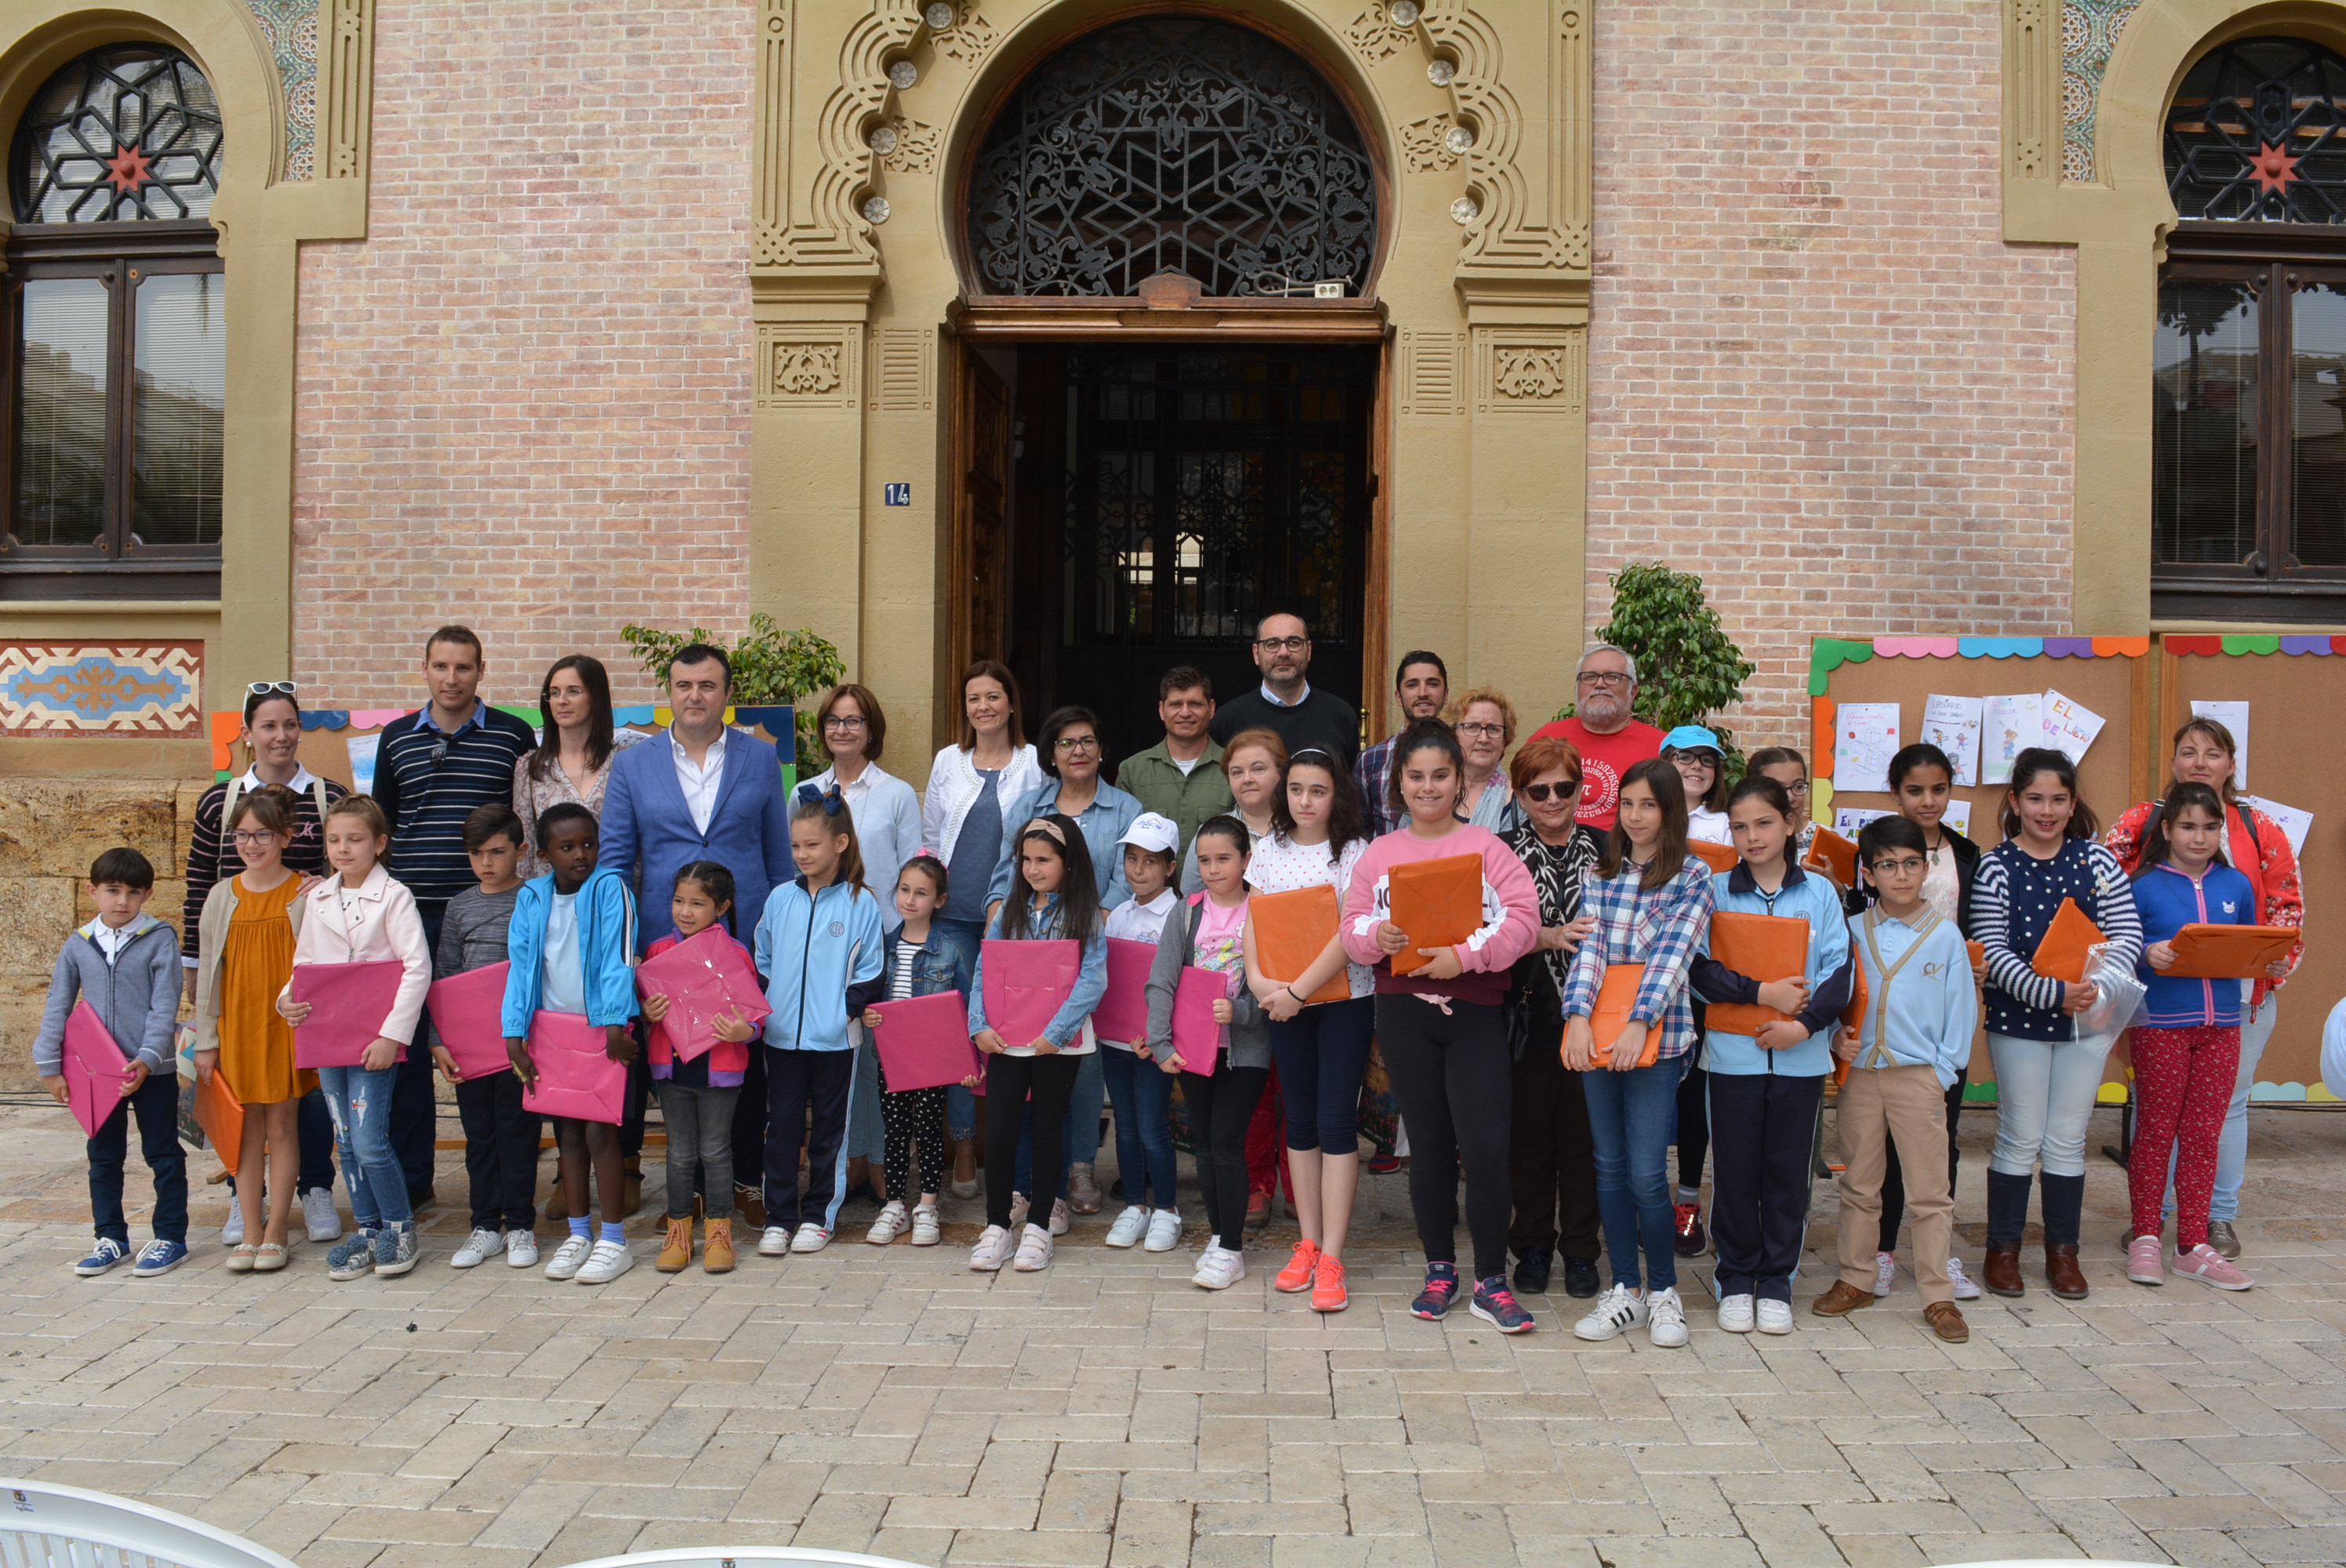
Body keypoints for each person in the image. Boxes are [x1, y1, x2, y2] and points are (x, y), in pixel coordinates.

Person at [1342, 720, 1542, 1333]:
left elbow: (1524, 922)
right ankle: (1439, 1271)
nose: (1428, 787)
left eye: (1440, 775)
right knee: (1427, 1149)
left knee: (1484, 1149)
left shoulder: (1488, 847)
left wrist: (1466, 956)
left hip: (1476, 1013)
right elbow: (1350, 929)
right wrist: (1380, 936)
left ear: (1460, 781)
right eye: (1416, 776)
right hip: (1404, 1013)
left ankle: (1490, 1280)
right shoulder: (1379, 855)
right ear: (1398, 783)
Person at [600, 642, 795, 1229]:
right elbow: (614, 863)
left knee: (743, 1059)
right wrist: (624, 944)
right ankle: (686, 1196)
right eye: (684, 685)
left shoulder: (761, 759)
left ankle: (745, 1182)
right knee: (676, 1066)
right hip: (668, 940)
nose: (695, 696)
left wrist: (779, 937)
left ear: (727, 694)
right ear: (669, 693)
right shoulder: (634, 765)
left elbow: (779, 859)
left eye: (708, 685)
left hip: (743, 938)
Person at [2103, 717, 2301, 1261]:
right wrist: (2131, 968)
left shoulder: (2260, 826)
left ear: (2231, 765)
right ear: (2172, 763)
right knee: (2155, 1113)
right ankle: (2151, 1221)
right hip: (2157, 1007)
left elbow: (2286, 908)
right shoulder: (2141, 820)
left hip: (2237, 1003)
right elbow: (2108, 903)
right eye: (2187, 751)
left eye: (2212, 753)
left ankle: (2215, 1220)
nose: (2199, 762)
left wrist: (2273, 965)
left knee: (2225, 1111)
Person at [372, 626, 538, 1208]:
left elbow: (522, 823)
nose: (451, 678)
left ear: (480, 671)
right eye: (440, 666)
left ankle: (501, 1190)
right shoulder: (395, 739)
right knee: (411, 1049)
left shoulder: (512, 735)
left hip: (488, 916)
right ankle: (414, 1181)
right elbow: (382, 832)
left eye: (463, 667)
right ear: (424, 670)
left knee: (495, 1047)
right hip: (410, 915)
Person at [1974, 747, 2141, 1301]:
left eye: (2059, 799)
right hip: (2019, 1020)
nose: (2047, 810)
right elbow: (1992, 949)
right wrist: (2052, 993)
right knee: (2021, 1134)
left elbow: (2127, 936)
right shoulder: (1996, 866)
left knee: (2068, 1138)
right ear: (2016, 801)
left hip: (2087, 1021)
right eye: (2036, 799)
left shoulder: (2096, 861)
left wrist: (2097, 985)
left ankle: (2063, 1253)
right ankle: (2003, 1250)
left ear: (2073, 804)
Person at [182, 682, 346, 1247]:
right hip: (240, 965)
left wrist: (330, 886)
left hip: (299, 961)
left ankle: (316, 1186)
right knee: (245, 1102)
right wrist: (194, 973)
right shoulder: (218, 802)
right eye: (268, 726)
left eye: (289, 725)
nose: (280, 736)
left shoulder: (328, 795)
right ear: (247, 733)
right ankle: (242, 1199)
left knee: (304, 1093)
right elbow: (199, 885)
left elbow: (354, 864)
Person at [1687, 775, 1852, 1336]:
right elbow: (1700, 970)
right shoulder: (1711, 889)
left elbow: (1839, 975)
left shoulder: (1822, 894)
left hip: (1801, 1061)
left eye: (1764, 823)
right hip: (1732, 1059)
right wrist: (1763, 996)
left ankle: (1776, 1278)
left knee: (1786, 1175)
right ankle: (1734, 1277)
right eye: (1740, 826)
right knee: (1735, 1171)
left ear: (1790, 825)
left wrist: (1801, 1027)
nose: (1752, 836)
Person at [1561, 760, 1714, 1350]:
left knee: (1650, 1174)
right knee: (1608, 1167)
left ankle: (1664, 1292)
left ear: (1670, 810)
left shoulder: (1693, 875)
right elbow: (1591, 950)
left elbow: (1674, 957)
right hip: (1597, 1035)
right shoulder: (1602, 872)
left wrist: (1638, 1022)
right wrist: (1577, 1016)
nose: (1636, 816)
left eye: (1649, 805)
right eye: (1627, 804)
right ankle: (1625, 1288)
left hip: (1658, 1038)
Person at [1813, 815, 1977, 1344]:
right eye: (1888, 865)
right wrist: (1837, 1040)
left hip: (1918, 1078)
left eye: (1911, 864)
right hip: (1861, 1076)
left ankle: (1937, 1294)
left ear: (1926, 869)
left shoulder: (1945, 937)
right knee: (1861, 1182)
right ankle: (1856, 1276)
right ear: (1869, 873)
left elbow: (1961, 1011)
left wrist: (1943, 1072)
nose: (1901, 875)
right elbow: (1835, 998)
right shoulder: (1854, 930)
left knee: (1931, 1191)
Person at [990, 705, 1142, 1221]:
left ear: (1102, 749)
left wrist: (1089, 918)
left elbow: (1128, 876)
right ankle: (1027, 1181)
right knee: (1027, 1054)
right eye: (1066, 743)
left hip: (1095, 945)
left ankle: (1078, 1165)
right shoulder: (1028, 805)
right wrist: (1000, 918)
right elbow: (1006, 869)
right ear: (1049, 754)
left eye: (1087, 740)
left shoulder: (1125, 808)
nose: (1077, 751)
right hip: (1029, 949)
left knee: (1081, 1060)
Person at [277, 796, 434, 1282]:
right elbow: (306, 965)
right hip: (328, 1036)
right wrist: (286, 1000)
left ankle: (399, 1227)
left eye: (355, 839)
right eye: (334, 840)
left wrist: (392, 1035)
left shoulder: (395, 896)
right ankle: (367, 1229)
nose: (343, 849)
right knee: (343, 1140)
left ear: (379, 844)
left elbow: (417, 967)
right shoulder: (318, 897)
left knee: (369, 1140)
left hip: (373, 1039)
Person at [1247, 750, 1376, 1313]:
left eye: (1317, 791)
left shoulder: (1355, 853)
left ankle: (1334, 1256)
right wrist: (1257, 982)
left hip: (1341, 1001)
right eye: (1296, 789)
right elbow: (1254, 918)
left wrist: (1298, 991)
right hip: (1282, 1001)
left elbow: (1349, 933)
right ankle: (1308, 1242)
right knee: (1297, 1119)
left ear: (1337, 795)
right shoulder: (1268, 849)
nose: (1305, 801)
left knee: (1334, 1121)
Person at [1862, 742, 1985, 1303]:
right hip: (1882, 1029)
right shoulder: (1874, 849)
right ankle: (1880, 1253)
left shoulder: (1967, 854)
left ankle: (1939, 1260)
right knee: (1873, 1156)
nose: (1928, 800)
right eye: (1915, 790)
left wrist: (1945, 1064)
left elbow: (1974, 927)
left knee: (1941, 1147)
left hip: (1935, 1014)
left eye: (1938, 789)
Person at [2126, 781, 2258, 1291]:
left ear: (2219, 830)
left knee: (2205, 1136)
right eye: (2187, 826)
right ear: (2166, 829)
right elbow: (2117, 947)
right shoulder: (2143, 887)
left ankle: (2191, 1245)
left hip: (2222, 1028)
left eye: (2209, 827)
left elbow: (2248, 947)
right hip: (2160, 1028)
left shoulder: (2237, 885)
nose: (2198, 837)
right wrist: (2146, 952)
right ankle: (2144, 1237)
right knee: (2157, 1132)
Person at [504, 803, 641, 1284]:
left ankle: (614, 1239)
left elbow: (619, 959)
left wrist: (615, 1026)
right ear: (544, 855)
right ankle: (579, 1234)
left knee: (602, 1133)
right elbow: (521, 968)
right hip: (552, 1031)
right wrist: (513, 1033)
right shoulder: (532, 897)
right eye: (567, 848)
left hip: (602, 1030)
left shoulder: (611, 888)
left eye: (588, 844)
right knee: (568, 1135)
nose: (581, 855)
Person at [966, 815, 1109, 1275]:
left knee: (1048, 1129)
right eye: (1026, 859)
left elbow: (1093, 979)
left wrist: (1057, 1032)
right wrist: (979, 1026)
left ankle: (1041, 1228)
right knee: (1002, 1130)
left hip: (1056, 1044)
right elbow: (984, 971)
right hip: (1006, 1040)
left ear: (1068, 863)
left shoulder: (1083, 913)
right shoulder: (1009, 908)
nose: (1032, 868)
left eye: (1044, 860)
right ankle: (997, 1228)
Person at [924, 659, 1044, 1196]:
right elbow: (930, 837)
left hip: (1013, 923)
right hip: (952, 918)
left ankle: (1010, 1146)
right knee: (956, 1033)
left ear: (1011, 703)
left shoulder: (1035, 763)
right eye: (975, 698)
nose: (984, 707)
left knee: (1010, 1031)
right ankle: (966, 1142)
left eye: (994, 696)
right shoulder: (948, 762)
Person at [39, 848, 187, 1279]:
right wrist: (50, 1064)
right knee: (103, 1157)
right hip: (95, 1074)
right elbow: (58, 1004)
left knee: (162, 1153)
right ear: (93, 891)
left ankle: (170, 1238)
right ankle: (110, 1238)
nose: (122, 901)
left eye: (133, 892)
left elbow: (164, 1007)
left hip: (151, 1070)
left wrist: (146, 1059)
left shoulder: (160, 938)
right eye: (112, 890)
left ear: (148, 894)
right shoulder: (78, 944)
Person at [806, 683, 924, 1219]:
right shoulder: (806, 793)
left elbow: (909, 870)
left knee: (881, 1058)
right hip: (827, 945)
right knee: (839, 1054)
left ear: (871, 730)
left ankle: (882, 1161)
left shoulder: (896, 793)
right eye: (833, 721)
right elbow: (799, 866)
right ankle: (850, 1158)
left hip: (884, 941)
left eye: (853, 721)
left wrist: (903, 939)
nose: (842, 730)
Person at [754, 786, 886, 1255]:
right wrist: (773, 1009)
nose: (803, 854)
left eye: (812, 845)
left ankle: (818, 1216)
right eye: (795, 845)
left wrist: (844, 1012)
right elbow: (762, 960)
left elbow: (871, 969)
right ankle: (779, 1217)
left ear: (840, 844)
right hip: (782, 1039)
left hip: (836, 1041)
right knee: (783, 1127)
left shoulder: (861, 903)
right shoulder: (778, 901)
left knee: (831, 1129)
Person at [1178, 728, 1297, 1225]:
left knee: (1295, 1087)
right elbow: (1189, 910)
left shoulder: (1302, 829)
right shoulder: (1216, 835)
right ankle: (1254, 1186)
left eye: (1259, 768)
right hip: (1231, 994)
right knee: (1248, 1092)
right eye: (1237, 770)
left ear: (1281, 773)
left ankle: (1298, 1184)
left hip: (1299, 983)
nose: (1248, 778)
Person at [1502, 736, 1605, 1301]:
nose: (1552, 799)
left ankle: (1583, 1251)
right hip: (1527, 1013)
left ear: (1581, 789)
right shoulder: (1500, 850)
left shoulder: (1609, 849)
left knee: (1583, 1140)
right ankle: (1534, 1245)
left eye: (1564, 787)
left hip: (1594, 1015)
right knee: (1530, 1139)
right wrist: (1546, 937)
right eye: (1538, 790)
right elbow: (1486, 928)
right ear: (1520, 794)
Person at [191, 787, 310, 1273]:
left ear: (285, 836)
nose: (252, 844)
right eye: (242, 835)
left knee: (282, 1126)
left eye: (263, 834)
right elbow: (208, 973)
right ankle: (250, 1227)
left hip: (284, 1027)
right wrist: (205, 1039)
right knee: (243, 1132)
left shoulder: (305, 893)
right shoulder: (222, 896)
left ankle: (279, 1228)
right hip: (236, 1026)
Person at [1150, 815, 1269, 1290]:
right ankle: (1219, 1237)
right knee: (1203, 1147)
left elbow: (1277, 987)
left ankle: (1233, 1249)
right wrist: (1160, 1043)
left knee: (1226, 1145)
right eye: (1205, 860)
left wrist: (1239, 1012)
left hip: (1245, 1051)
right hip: (1194, 1050)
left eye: (1224, 859)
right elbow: (1162, 980)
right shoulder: (1186, 911)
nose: (1215, 869)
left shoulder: (1263, 911)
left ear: (1246, 859)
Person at [641, 861, 760, 1276]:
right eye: (678, 901)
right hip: (672, 1072)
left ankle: (718, 1234)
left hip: (719, 1070)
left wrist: (745, 1030)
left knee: (715, 1150)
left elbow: (755, 1018)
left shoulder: (736, 953)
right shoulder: (657, 952)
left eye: (698, 903)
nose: (685, 911)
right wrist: (646, 1012)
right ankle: (678, 1232)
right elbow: (643, 1010)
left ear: (722, 906)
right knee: (679, 1154)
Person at [437, 804, 540, 1271]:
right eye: (476, 853)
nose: (486, 863)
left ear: (521, 850)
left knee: (519, 1133)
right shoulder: (460, 906)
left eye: (497, 852)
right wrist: (439, 1041)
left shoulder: (537, 898)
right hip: (470, 1044)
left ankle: (520, 1225)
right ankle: (484, 1226)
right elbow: (445, 974)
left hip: (524, 1040)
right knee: (479, 1135)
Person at [861, 855, 974, 1248]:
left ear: (939, 900)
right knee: (895, 1132)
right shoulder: (883, 946)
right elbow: (870, 997)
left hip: (932, 1062)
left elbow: (966, 1009)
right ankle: (894, 1205)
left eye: (921, 893)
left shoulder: (951, 950)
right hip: (892, 1060)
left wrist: (967, 1061)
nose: (910, 900)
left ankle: (927, 1206)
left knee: (927, 1131)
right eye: (904, 890)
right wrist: (869, 1015)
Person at [1099, 815, 1185, 1254]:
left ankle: (1167, 1210)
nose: (1138, 870)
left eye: (1150, 861)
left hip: (1154, 1045)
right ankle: (1135, 1206)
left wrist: (1156, 1037)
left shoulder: (1182, 915)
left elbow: (1180, 986)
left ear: (1171, 867)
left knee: (1153, 1127)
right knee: (1126, 1126)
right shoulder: (1118, 917)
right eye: (1131, 858)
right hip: (1116, 1041)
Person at [513, 654, 649, 880]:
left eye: (573, 691)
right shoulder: (531, 767)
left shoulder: (627, 762)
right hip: (554, 902)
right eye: (554, 692)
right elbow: (525, 849)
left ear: (595, 697)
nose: (562, 700)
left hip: (615, 898)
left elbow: (644, 841)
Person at [1526, 644, 1665, 832]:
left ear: (1633, 692)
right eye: (1590, 677)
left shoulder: (1661, 746)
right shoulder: (1546, 738)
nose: (1600, 684)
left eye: (1613, 677)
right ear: (1577, 689)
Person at [1208, 612, 1360, 767]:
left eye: (1293, 643)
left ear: (1308, 650)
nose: (1283, 653)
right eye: (1272, 644)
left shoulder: (1341, 715)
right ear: (1256, 653)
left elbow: (1349, 788)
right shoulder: (1227, 720)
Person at [1116, 668, 1233, 858]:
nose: (1185, 713)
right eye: (1176, 704)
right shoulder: (1132, 771)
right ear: (1162, 710)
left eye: (1195, 704)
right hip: (1150, 888)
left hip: (1215, 887)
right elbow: (1121, 849)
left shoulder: (1233, 768)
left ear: (1211, 709)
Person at [1357, 652, 1451, 837]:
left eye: (1432, 684)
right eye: (1412, 685)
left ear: (1446, 694)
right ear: (1398, 697)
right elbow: (1361, 833)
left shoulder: (1461, 755)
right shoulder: (1371, 760)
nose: (1423, 692)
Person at [1446, 687, 1520, 833]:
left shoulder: (1521, 804)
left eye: (1493, 729)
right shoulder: (1431, 791)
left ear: (1504, 740)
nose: (1484, 739)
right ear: (1453, 735)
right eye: (1472, 727)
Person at [1662, 726, 1731, 846]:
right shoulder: (1647, 817)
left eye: (1707, 760)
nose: (1698, 765)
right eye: (1685, 757)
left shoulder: (1726, 825)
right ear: (1665, 763)